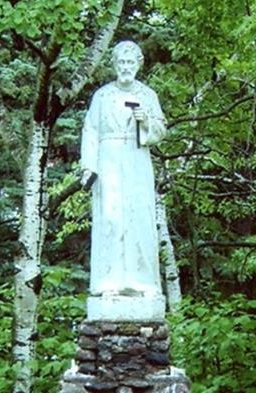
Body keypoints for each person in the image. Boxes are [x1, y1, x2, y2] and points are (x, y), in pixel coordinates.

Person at [81, 40, 167, 320]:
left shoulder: (147, 94)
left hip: (136, 159)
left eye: (131, 63)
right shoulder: (103, 96)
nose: (126, 67)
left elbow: (160, 129)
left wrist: (145, 122)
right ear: (115, 65)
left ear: (138, 65)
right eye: (121, 63)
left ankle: (144, 283)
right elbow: (90, 130)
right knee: (111, 219)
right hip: (108, 161)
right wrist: (89, 166)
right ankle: (109, 283)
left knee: (139, 218)